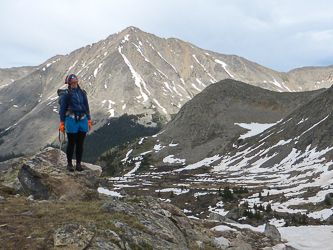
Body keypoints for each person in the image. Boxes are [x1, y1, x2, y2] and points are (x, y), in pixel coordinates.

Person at [59, 74, 91, 171]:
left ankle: (78, 164)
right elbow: (63, 109)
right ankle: (69, 164)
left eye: (76, 77)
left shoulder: (82, 92)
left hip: (83, 118)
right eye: (73, 78)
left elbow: (86, 106)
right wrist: (62, 123)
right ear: (69, 81)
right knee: (72, 143)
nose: (75, 78)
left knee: (80, 143)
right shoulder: (66, 94)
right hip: (71, 119)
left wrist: (89, 119)